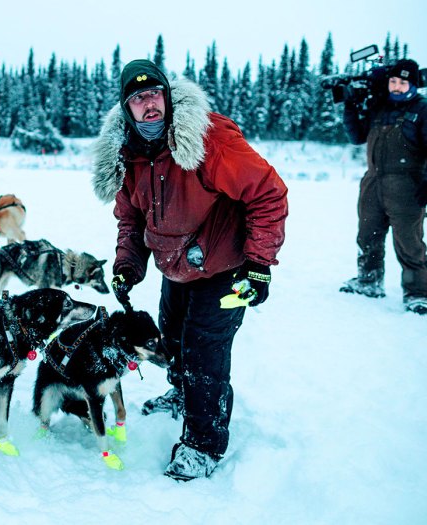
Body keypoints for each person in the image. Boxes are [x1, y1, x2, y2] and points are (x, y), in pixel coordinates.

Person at [91, 59, 288, 480]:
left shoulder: (207, 139)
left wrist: (259, 264)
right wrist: (127, 265)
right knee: (173, 336)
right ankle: (181, 395)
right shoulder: (129, 154)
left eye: (154, 93)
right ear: (127, 108)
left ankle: (203, 444)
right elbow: (132, 220)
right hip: (175, 267)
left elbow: (268, 194)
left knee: (204, 355)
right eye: (137, 98)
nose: (148, 104)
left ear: (167, 95)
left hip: (225, 270)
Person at [340, 58, 427, 314]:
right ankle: (369, 280)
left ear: (413, 85)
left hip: (407, 186)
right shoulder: (380, 108)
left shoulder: (423, 110)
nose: (397, 87)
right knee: (368, 235)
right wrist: (349, 105)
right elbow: (356, 136)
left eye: (403, 82)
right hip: (373, 183)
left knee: (409, 242)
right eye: (393, 81)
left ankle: (418, 293)